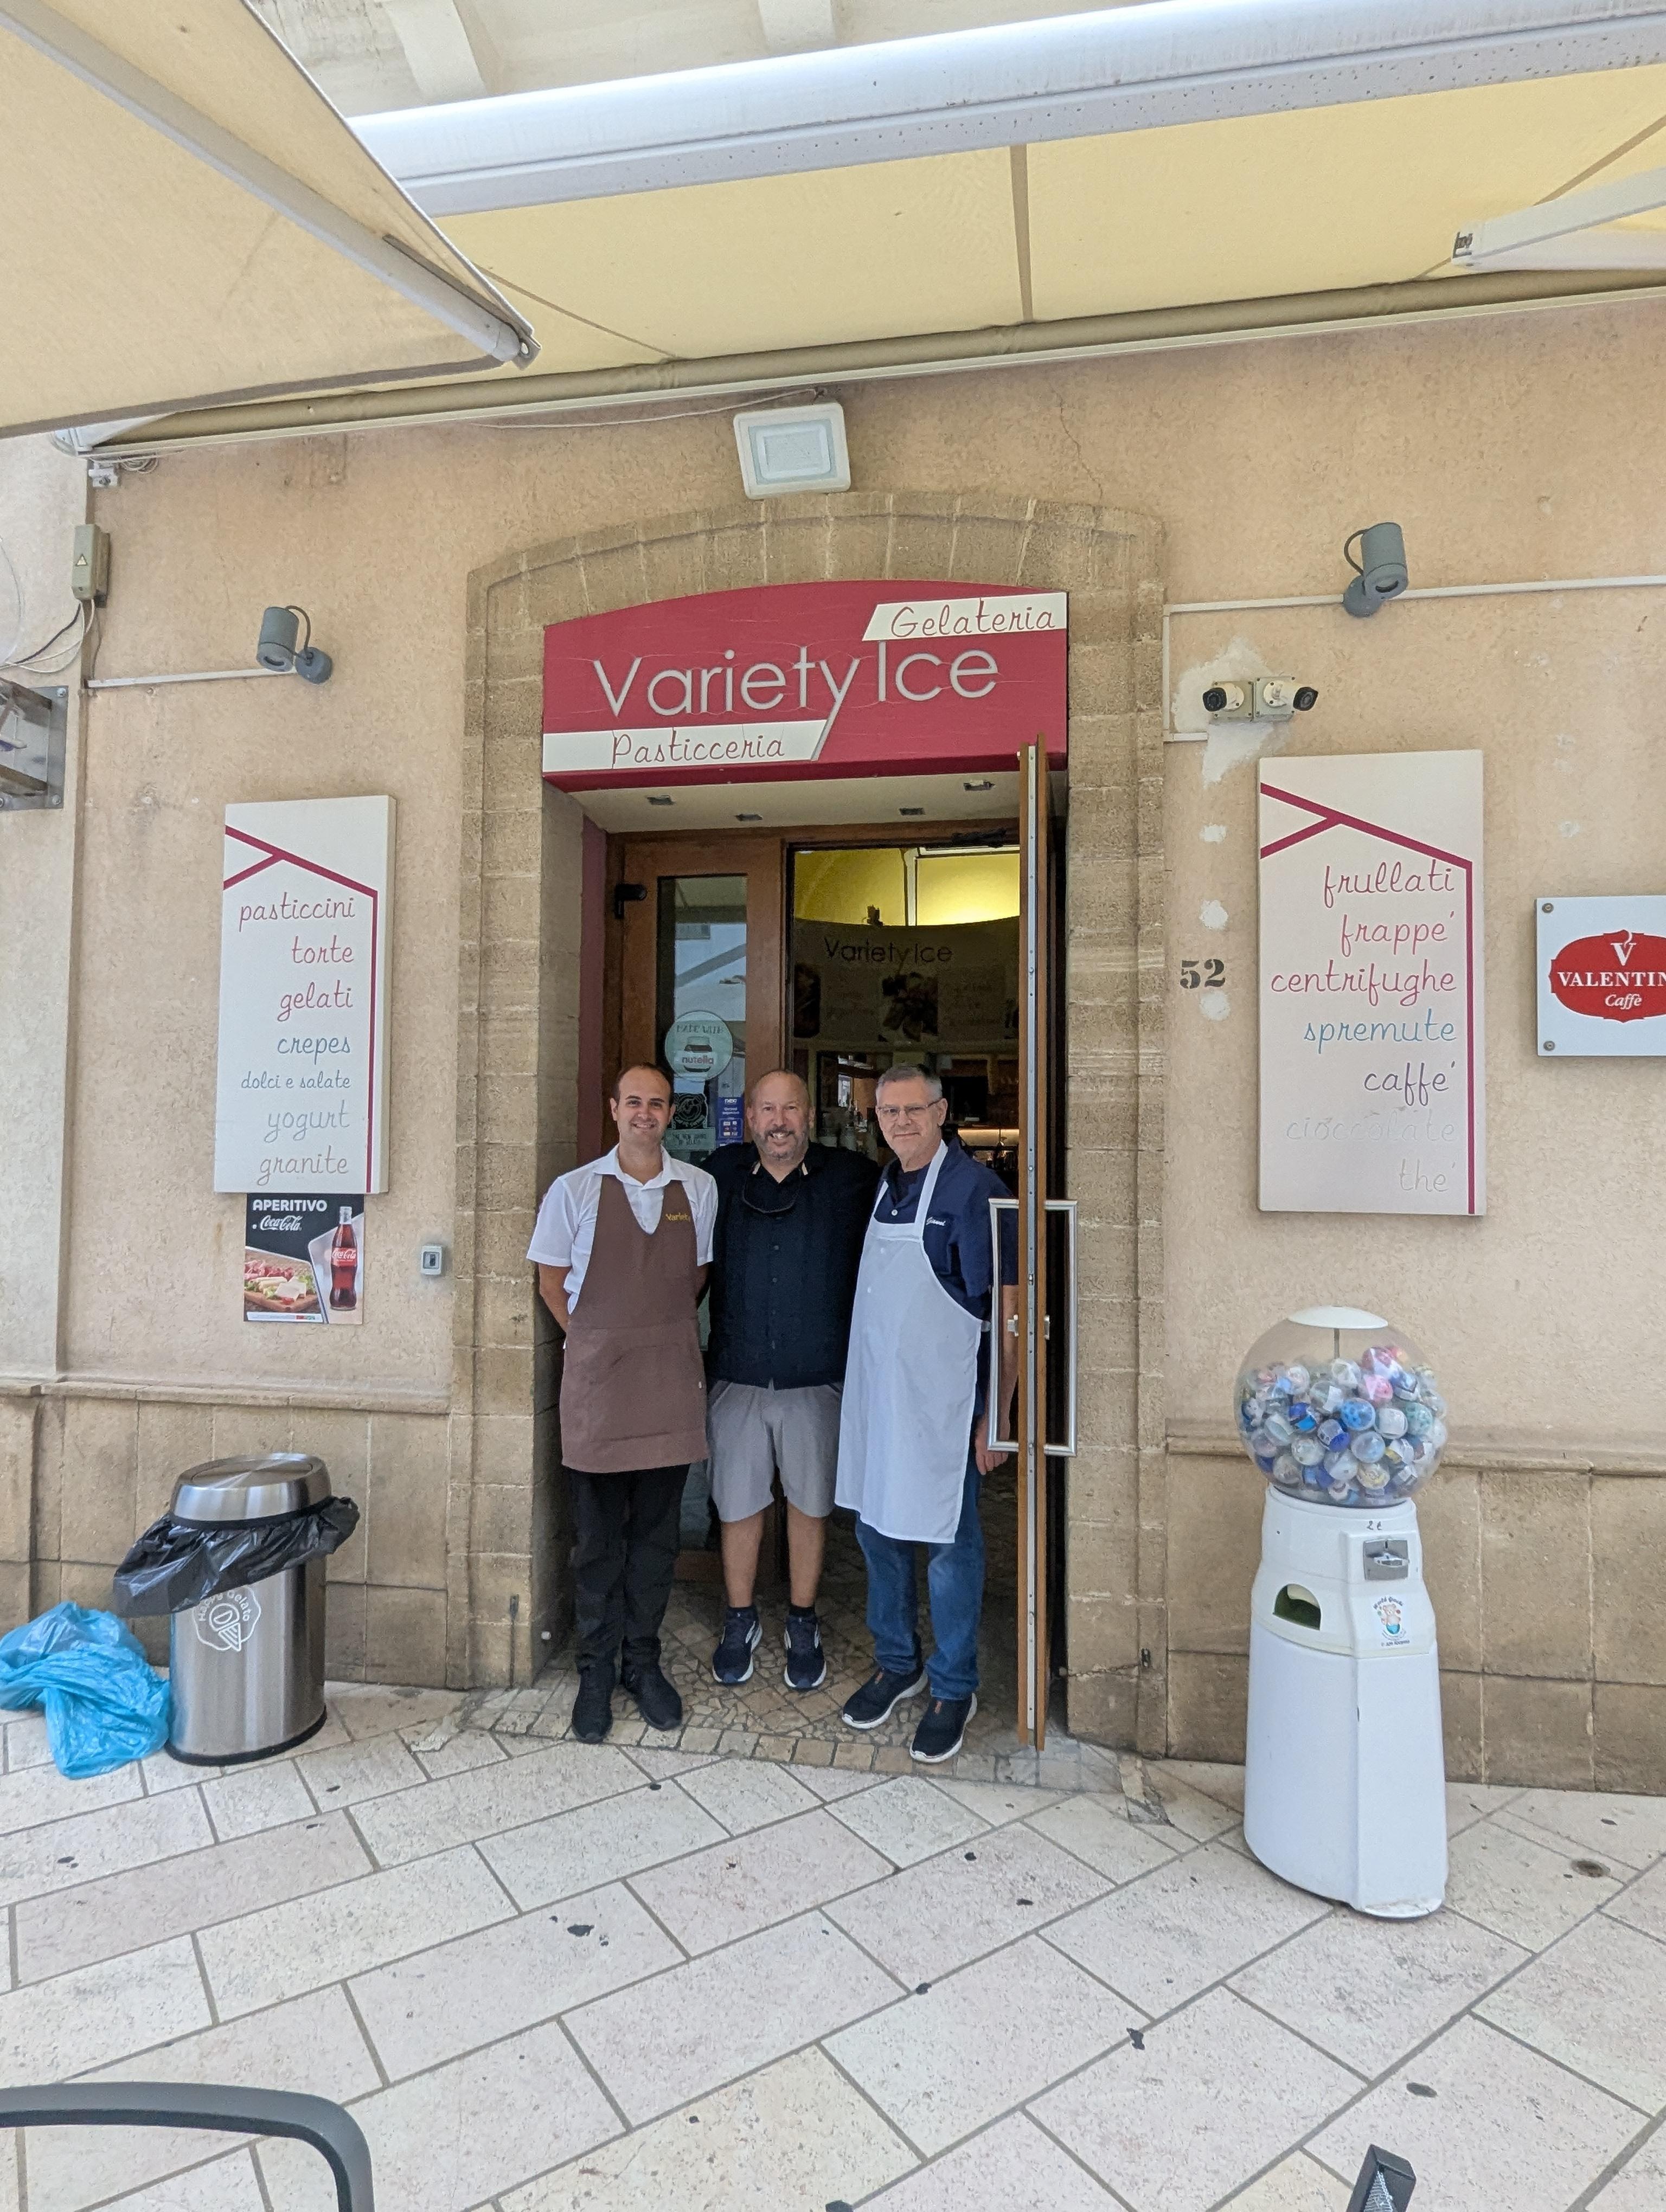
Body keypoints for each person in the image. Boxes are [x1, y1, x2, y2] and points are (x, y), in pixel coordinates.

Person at [529, 1064, 718, 1744]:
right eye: (633, 1101)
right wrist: (596, 1340)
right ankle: (595, 1670)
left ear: (670, 1113)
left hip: (668, 1385)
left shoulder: (698, 1189)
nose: (645, 1113)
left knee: (656, 1541)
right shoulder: (574, 1190)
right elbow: (552, 1282)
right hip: (599, 1392)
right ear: (613, 1109)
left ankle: (642, 1662)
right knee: (599, 1542)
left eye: (657, 1103)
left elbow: (695, 1277)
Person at [836, 1064, 1016, 1764]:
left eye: (914, 1109)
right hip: (881, 1401)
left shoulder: (976, 1191)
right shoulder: (886, 1185)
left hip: (945, 1406)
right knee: (876, 1530)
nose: (902, 1122)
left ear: (941, 1112)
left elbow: (1007, 1313)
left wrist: (997, 1415)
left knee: (948, 1545)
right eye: (890, 1112)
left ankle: (953, 1686)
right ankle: (897, 1662)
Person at [705, 1070, 879, 1690]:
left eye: (790, 1109)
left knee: (810, 1505)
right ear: (750, 1117)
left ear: (809, 1115)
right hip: (739, 1373)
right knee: (738, 1504)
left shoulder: (854, 1179)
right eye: (767, 1110)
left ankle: (802, 1620)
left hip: (817, 1376)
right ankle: (740, 1619)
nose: (779, 1122)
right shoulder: (716, 1177)